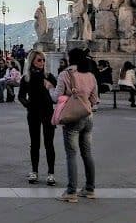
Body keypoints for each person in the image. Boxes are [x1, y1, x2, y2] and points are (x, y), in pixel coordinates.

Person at [54, 48, 99, 203]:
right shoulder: (91, 75)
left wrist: (49, 89)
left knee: (71, 154)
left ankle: (71, 191)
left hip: (73, 117)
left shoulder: (65, 74)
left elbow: (56, 96)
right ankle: (90, 188)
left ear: (70, 58)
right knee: (87, 153)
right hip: (88, 116)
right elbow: (95, 99)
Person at [18, 50, 57, 186]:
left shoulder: (49, 76)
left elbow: (57, 94)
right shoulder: (26, 78)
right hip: (33, 112)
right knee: (34, 143)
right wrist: (28, 105)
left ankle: (51, 173)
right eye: (39, 60)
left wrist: (51, 87)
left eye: (43, 60)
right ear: (32, 61)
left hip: (47, 112)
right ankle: (34, 171)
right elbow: (21, 95)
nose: (42, 63)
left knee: (49, 143)